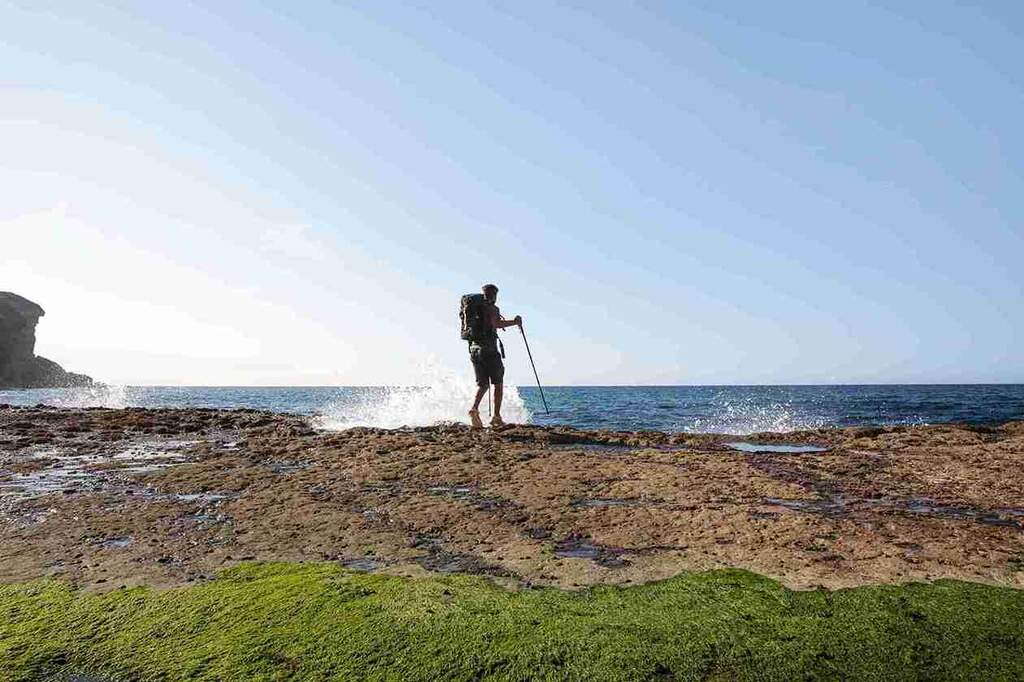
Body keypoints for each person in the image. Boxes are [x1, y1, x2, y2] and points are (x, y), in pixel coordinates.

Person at [468, 283, 521, 428]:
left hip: (474, 350)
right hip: (489, 350)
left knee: (483, 384)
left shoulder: (475, 308)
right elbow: (496, 324)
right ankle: (496, 416)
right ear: (494, 294)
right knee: (498, 383)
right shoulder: (492, 308)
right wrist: (515, 322)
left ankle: (474, 408)